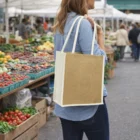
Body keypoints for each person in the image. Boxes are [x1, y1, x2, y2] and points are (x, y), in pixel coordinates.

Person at [53, 0, 109, 140]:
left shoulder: (61, 24)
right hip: (88, 104)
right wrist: (100, 35)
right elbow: (99, 61)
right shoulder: (82, 23)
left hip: (65, 104)